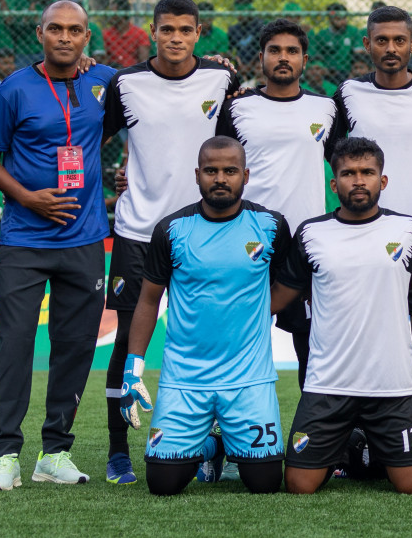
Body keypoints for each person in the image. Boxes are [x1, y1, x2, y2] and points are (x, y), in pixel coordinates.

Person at [100, 0, 240, 485]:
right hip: (138, 233)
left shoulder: (222, 80)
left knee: (208, 339)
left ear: (198, 33)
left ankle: (210, 445)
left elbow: (232, 150)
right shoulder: (126, 83)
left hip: (204, 231)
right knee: (126, 343)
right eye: (167, 30)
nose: (176, 38)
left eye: (185, 30)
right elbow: (87, 135)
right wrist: (114, 183)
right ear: (152, 31)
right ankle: (118, 452)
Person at [273, 136, 412, 495]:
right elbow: (277, 297)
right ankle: (347, 445)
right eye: (348, 173)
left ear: (383, 180)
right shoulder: (312, 233)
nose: (358, 181)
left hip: (392, 388)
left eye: (367, 172)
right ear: (334, 183)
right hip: (328, 386)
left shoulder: (407, 231)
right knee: (299, 486)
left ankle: (363, 448)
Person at [0, 1, 118, 491]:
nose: (64, 37)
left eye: (74, 30)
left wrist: (216, 66)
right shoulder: (14, 88)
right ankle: (5, 455)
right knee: (15, 345)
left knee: (76, 347)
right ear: (40, 33)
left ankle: (54, 451)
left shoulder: (104, 81)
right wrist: (27, 198)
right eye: (55, 29)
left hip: (84, 239)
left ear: (87, 37)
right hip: (25, 239)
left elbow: (159, 80)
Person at [118, 136, 290, 495]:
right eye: (211, 171)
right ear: (197, 175)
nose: (220, 178)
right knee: (163, 484)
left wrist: (256, 313)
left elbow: (290, 285)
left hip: (249, 378)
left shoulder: (271, 225)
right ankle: (213, 448)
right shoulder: (171, 229)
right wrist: (132, 370)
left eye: (230, 170)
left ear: (246, 174)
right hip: (185, 379)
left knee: (265, 483)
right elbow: (148, 301)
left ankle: (227, 441)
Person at [336, 5, 412, 471]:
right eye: (380, 41)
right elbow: (335, 152)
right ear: (367, 45)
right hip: (365, 237)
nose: (390, 49)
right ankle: (346, 441)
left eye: (398, 40)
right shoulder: (348, 94)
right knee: (359, 338)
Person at [217, 19, 343, 390]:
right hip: (246, 239)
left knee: (311, 345)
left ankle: (314, 440)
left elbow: (344, 167)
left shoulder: (326, 109)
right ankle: (235, 434)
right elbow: (219, 169)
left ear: (305, 58)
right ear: (261, 58)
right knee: (239, 342)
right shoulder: (238, 109)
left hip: (305, 244)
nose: (283, 58)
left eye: (292, 51)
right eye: (275, 50)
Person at [101, 0, 151, 68]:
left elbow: (143, 61)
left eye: (112, 12)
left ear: (122, 14)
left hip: (133, 73)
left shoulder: (140, 34)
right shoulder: (106, 33)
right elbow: (103, 60)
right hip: (112, 72)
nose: (109, 15)